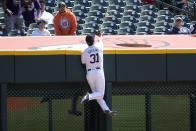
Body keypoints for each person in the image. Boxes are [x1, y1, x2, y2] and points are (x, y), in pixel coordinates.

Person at [80, 32, 117, 117]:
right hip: (98, 72)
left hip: (89, 74)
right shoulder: (99, 46)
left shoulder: (84, 52)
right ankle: (88, 96)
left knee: (97, 95)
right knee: (100, 94)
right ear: (93, 40)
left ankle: (106, 110)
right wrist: (100, 37)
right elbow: (100, 40)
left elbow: (83, 62)